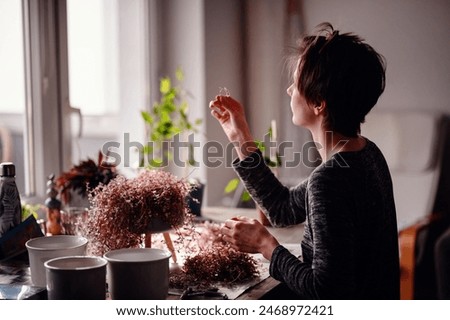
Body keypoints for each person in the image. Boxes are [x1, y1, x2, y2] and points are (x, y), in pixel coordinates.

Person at [209, 22, 400, 299]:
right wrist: (240, 137)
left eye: (296, 83)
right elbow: (282, 209)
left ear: (319, 102)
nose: (289, 91)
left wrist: (266, 245)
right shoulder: (366, 154)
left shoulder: (331, 178)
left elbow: (327, 291)